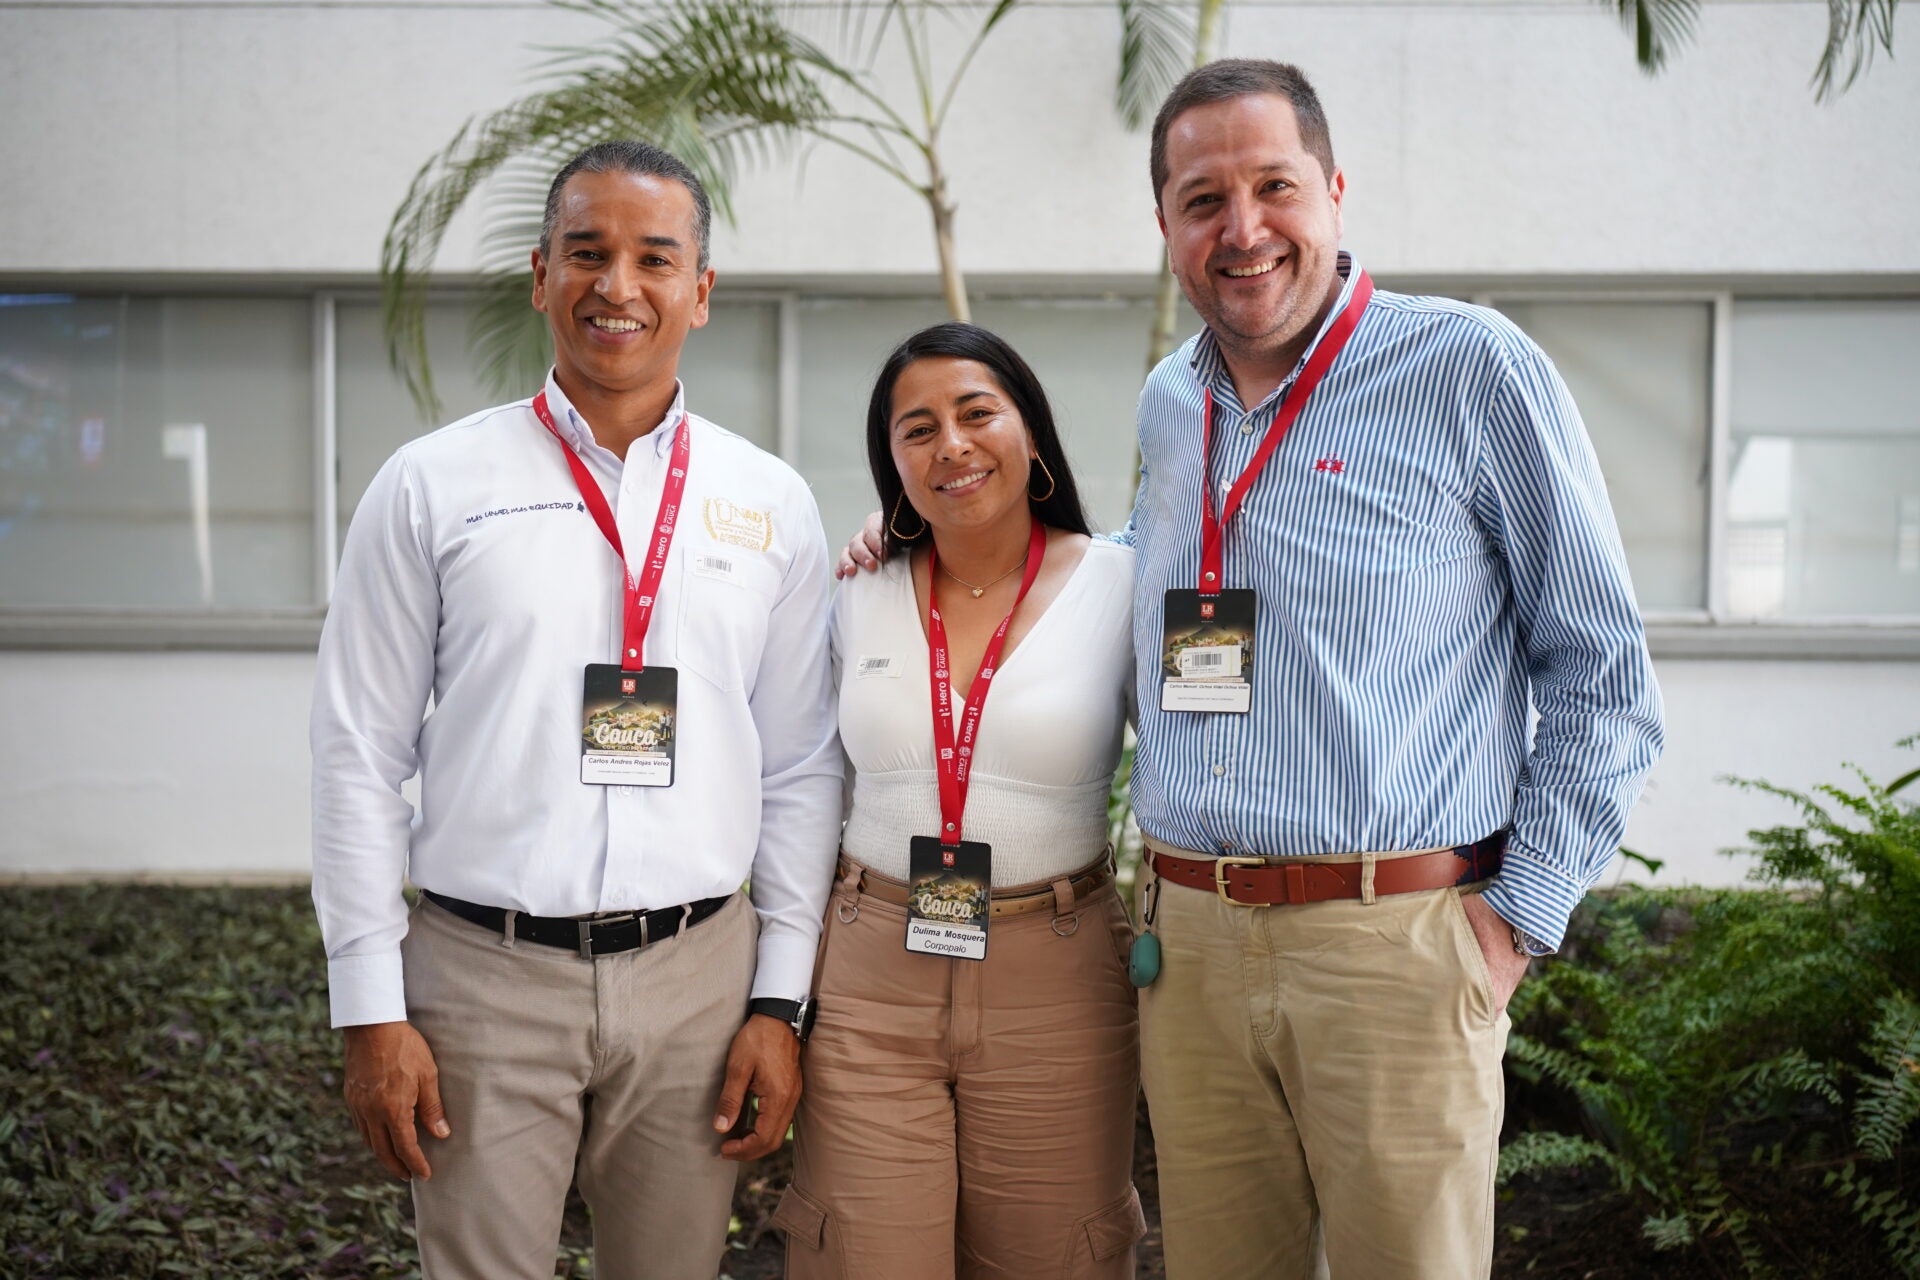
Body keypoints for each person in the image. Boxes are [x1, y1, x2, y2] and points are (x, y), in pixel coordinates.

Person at [839, 60, 1665, 1279]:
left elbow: (1602, 675)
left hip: (1395, 940)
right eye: (1202, 198)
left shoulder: (1468, 366)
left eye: (1273, 185)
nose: (1244, 229)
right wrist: (935, 533)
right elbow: (1147, 568)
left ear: (1333, 191)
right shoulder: (1174, 402)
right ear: (1166, 225)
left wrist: (1509, 923)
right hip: (1193, 951)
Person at [310, 139, 841, 1280]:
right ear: (539, 274)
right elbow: (358, 752)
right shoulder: (432, 485)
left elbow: (801, 764)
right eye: (587, 253)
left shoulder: (770, 502)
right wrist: (368, 1005)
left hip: (700, 974)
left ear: (700, 291)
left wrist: (778, 1000)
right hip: (481, 976)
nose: (619, 286)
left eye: (656, 257)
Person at [777, 323, 1144, 1278]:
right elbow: (810, 779)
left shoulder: (1122, 584)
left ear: (1031, 431)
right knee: (861, 1256)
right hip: (869, 970)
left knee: (1055, 1259)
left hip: (1057, 975)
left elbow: (1209, 765)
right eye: (918, 429)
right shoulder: (857, 589)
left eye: (977, 412)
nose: (952, 445)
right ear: (891, 461)